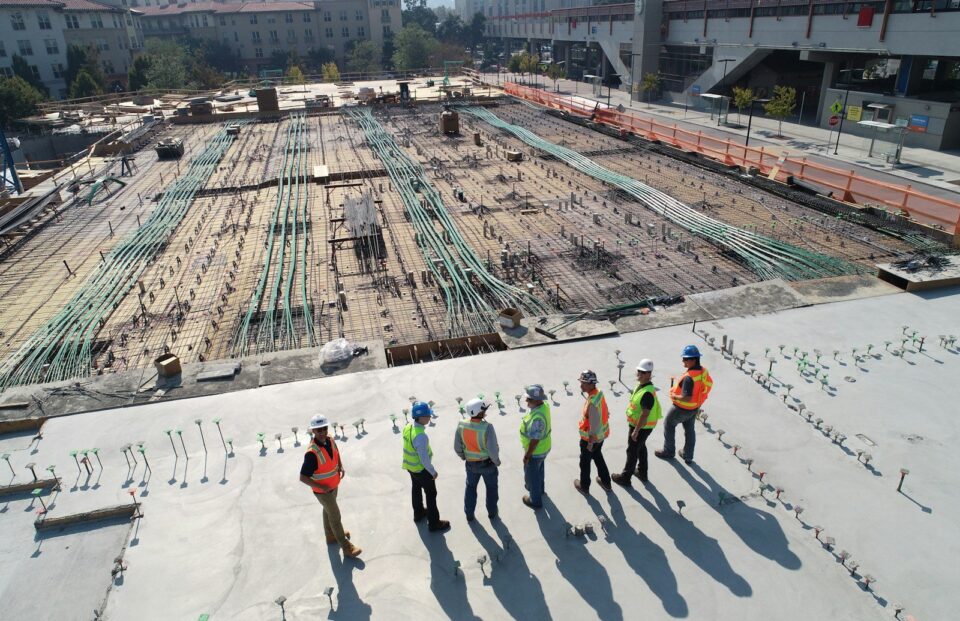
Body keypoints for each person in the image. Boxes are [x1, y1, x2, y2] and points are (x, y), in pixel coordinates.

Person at [299, 414, 362, 558]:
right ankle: (346, 547)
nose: (322, 432)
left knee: (328, 511)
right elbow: (303, 477)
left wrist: (340, 465)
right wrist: (322, 488)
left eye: (324, 428)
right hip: (323, 491)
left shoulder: (330, 440)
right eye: (319, 430)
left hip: (334, 485)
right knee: (335, 516)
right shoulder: (311, 453)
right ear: (313, 431)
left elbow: (336, 453)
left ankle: (330, 536)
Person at [656, 345, 713, 464]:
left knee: (668, 424)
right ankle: (688, 455)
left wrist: (674, 396)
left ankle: (669, 451)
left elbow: (686, 397)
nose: (683, 361)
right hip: (695, 407)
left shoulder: (689, 378)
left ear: (693, 360)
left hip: (681, 408)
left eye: (685, 359)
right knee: (689, 430)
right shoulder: (703, 371)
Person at [402, 401, 450, 532]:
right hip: (422, 470)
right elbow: (424, 458)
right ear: (421, 417)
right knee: (431, 494)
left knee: (416, 489)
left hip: (410, 467)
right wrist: (432, 472)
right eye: (428, 415)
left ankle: (418, 514)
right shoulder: (421, 436)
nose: (430, 417)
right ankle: (434, 523)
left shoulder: (408, 427)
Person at [612, 359, 661, 487]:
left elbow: (645, 414)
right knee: (641, 447)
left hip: (641, 427)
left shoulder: (647, 393)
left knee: (632, 451)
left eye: (642, 372)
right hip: (641, 426)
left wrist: (636, 431)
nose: (638, 374)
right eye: (638, 371)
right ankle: (642, 472)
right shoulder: (642, 386)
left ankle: (625, 478)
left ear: (649, 374)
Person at [454, 398, 501, 521]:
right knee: (491, 488)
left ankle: (469, 514)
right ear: (479, 412)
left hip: (470, 464)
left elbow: (457, 446)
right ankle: (492, 512)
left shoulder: (461, 425)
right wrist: (496, 461)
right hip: (488, 464)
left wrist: (463, 456)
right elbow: (492, 449)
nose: (485, 411)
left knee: (470, 488)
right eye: (484, 410)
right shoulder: (487, 427)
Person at [574, 370, 612, 494]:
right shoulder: (598, 393)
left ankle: (584, 486)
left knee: (585, 462)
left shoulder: (592, 402)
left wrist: (590, 443)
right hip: (601, 436)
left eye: (583, 383)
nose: (581, 385)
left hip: (590, 439)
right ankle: (606, 482)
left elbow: (594, 425)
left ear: (591, 384)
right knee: (598, 457)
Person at [519, 384, 551, 509]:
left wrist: (527, 455)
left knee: (533, 477)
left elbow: (535, 440)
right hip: (544, 448)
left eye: (529, 399)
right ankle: (540, 491)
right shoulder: (544, 406)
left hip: (536, 452)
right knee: (539, 471)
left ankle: (535, 500)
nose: (526, 401)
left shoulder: (537, 419)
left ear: (538, 401)